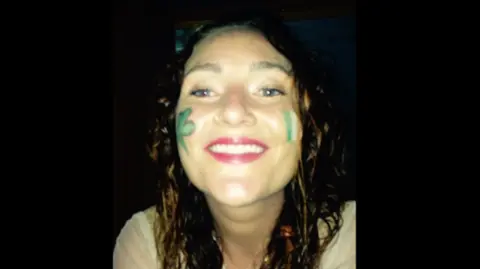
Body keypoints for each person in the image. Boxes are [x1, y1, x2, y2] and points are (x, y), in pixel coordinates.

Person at [114, 11, 355, 269]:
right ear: (172, 121)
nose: (233, 111)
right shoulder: (148, 243)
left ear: (307, 121)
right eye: (203, 90)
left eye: (269, 90)